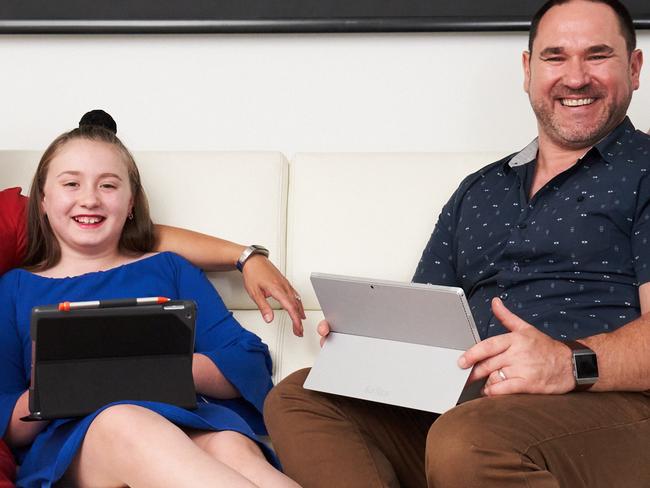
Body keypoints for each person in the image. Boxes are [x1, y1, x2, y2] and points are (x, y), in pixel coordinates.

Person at [264, 1, 650, 486]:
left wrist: (566, 362)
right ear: (529, 70)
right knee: (302, 396)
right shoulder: (479, 189)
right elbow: (428, 327)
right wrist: (368, 344)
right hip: (470, 404)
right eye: (554, 57)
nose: (575, 78)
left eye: (597, 56)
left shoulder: (644, 172)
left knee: (469, 439)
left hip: (607, 406)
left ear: (633, 69)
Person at [0, 113, 301, 487]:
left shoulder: (169, 268)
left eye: (108, 186)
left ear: (130, 204)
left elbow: (247, 362)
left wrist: (156, 370)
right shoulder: (14, 288)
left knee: (232, 447)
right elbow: (8, 427)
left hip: (188, 422)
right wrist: (56, 385)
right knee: (125, 420)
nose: (89, 199)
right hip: (80, 442)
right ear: (43, 200)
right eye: (71, 184)